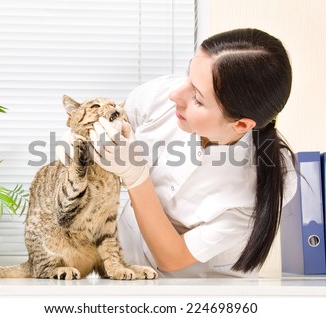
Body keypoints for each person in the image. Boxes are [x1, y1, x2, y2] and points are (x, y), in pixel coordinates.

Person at [87, 28, 297, 278]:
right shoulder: (158, 97)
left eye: (197, 98)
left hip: (199, 292)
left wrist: (135, 175)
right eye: (189, 75)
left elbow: (172, 258)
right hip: (126, 273)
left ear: (241, 125)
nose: (175, 95)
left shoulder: (267, 179)